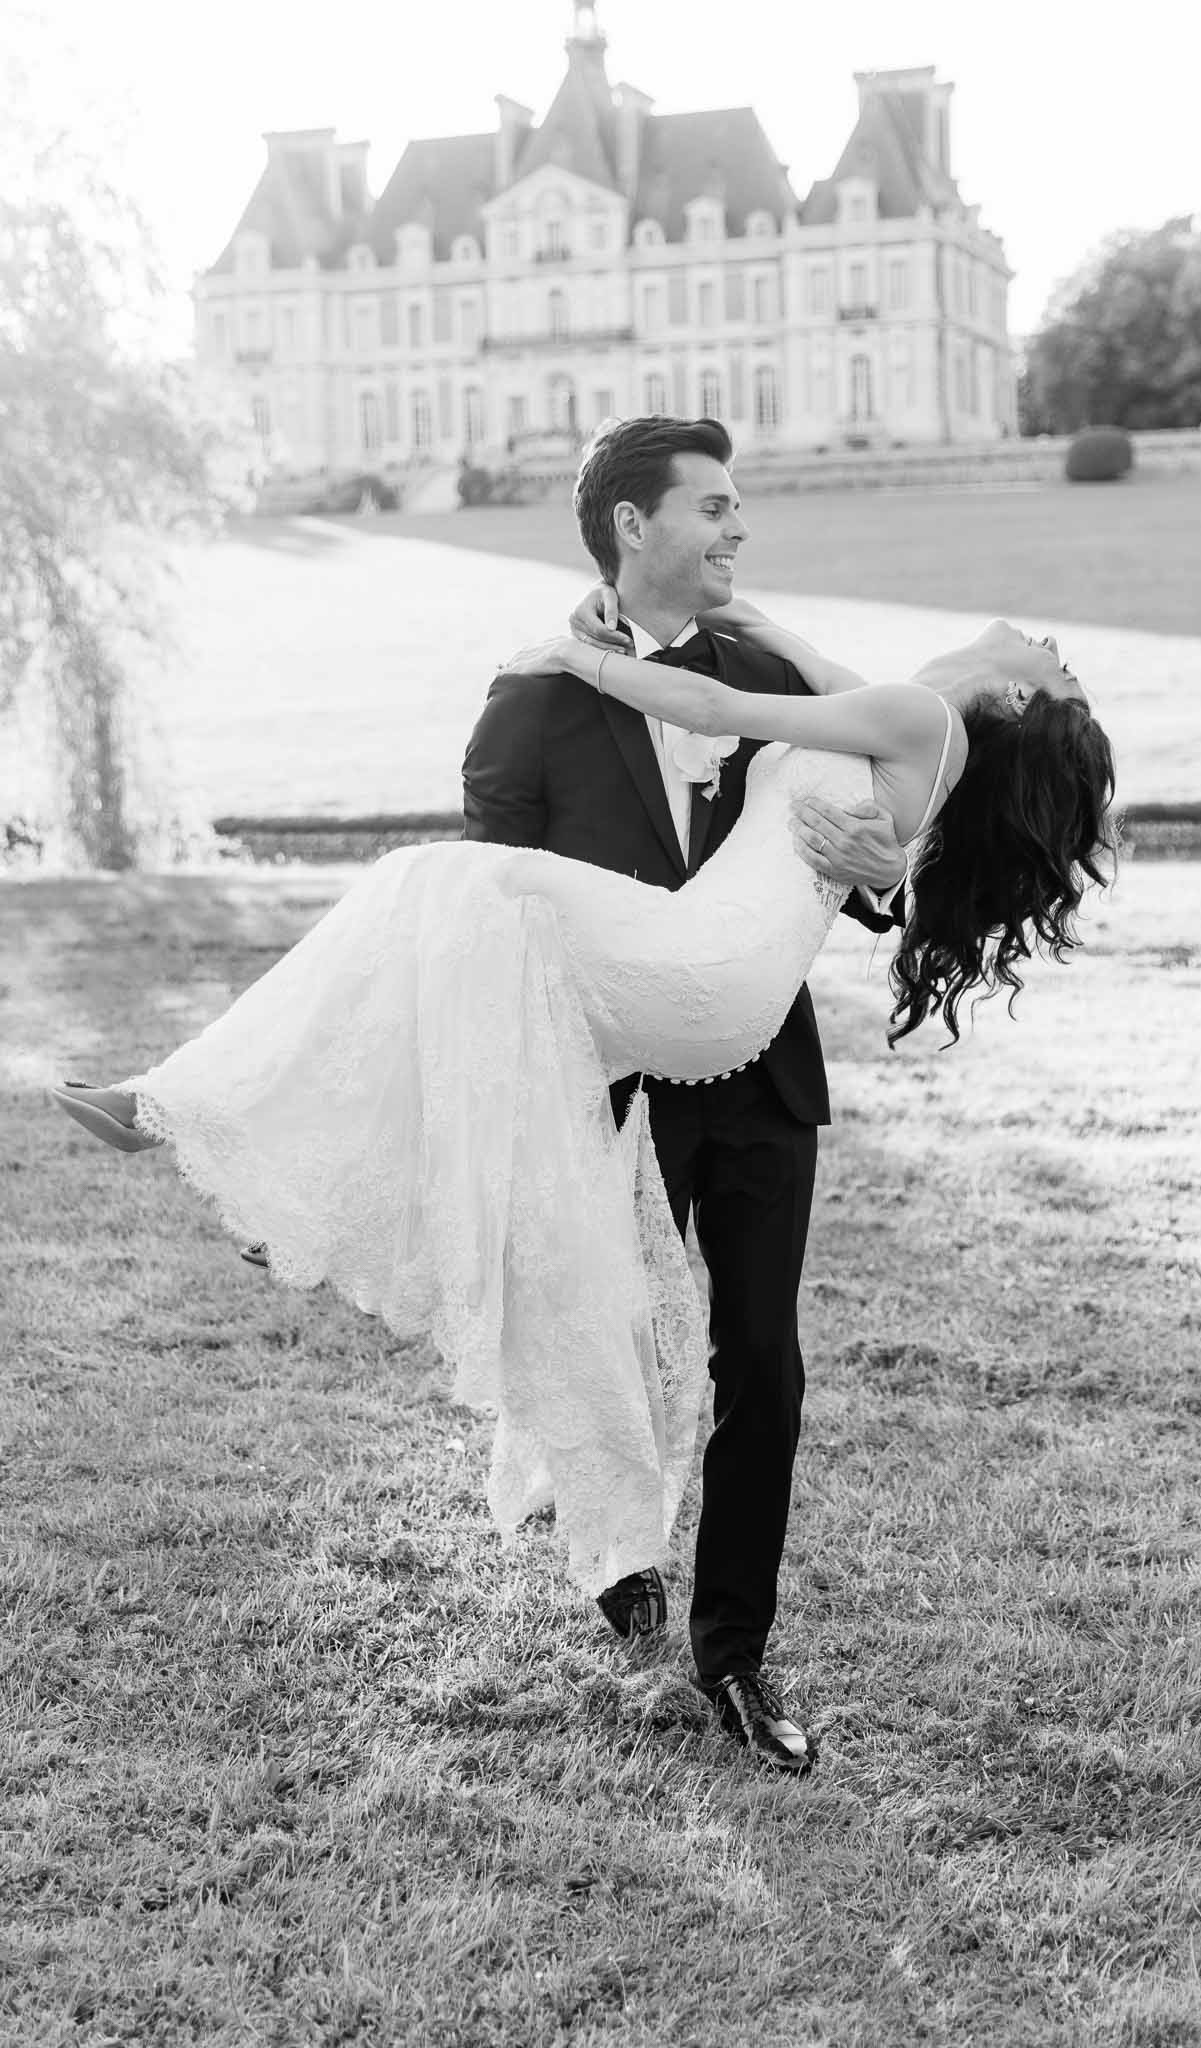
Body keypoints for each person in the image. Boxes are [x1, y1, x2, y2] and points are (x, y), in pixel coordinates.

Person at [51, 417, 1115, 1777]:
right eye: (715, 508)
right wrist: (581, 667)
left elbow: (859, 846)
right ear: (632, 524)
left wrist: (884, 873)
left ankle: (734, 1658)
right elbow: (474, 953)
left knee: (761, 1369)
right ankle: (618, 1559)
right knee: (576, 1296)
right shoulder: (532, 701)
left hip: (747, 1046)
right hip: (603, 1048)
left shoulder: (761, 678)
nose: (738, 533)